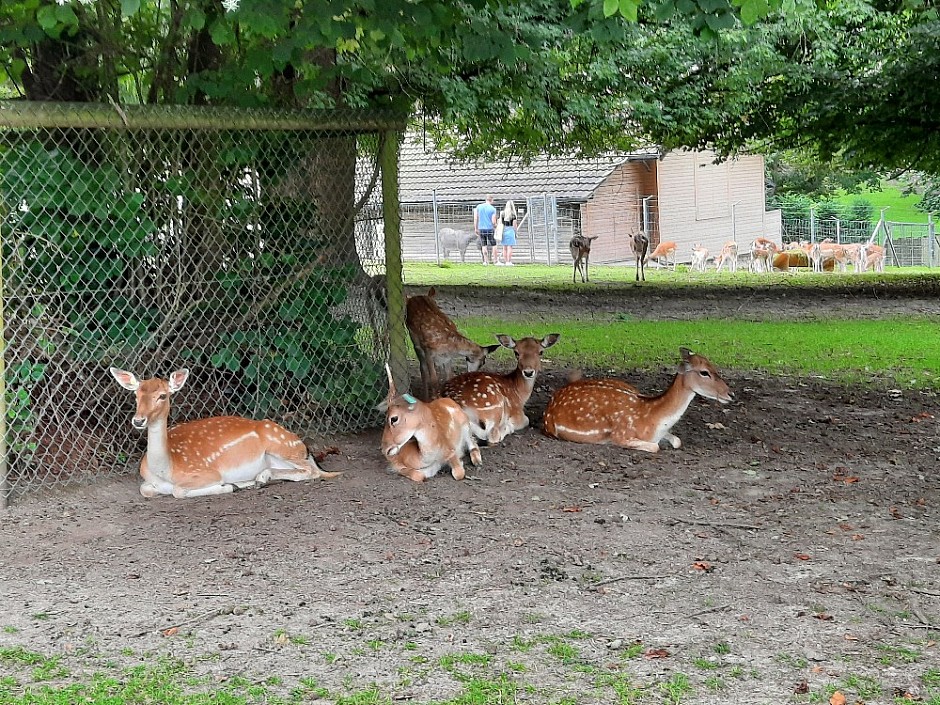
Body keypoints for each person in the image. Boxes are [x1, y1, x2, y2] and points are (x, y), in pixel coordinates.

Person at [473, 194, 498, 265]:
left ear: (486, 199)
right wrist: (496, 226)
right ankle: (495, 260)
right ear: (492, 200)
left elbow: (475, 218)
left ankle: (486, 261)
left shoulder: (478, 207)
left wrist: (476, 228)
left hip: (481, 229)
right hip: (489, 229)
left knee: (484, 245)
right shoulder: (493, 209)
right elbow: (493, 221)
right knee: (494, 244)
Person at [498, 200, 518, 266]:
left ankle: (505, 261)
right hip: (510, 230)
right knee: (510, 247)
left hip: (504, 230)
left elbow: (500, 223)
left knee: (504, 247)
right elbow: (514, 225)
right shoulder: (513, 215)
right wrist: (515, 232)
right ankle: (509, 261)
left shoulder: (503, 214)